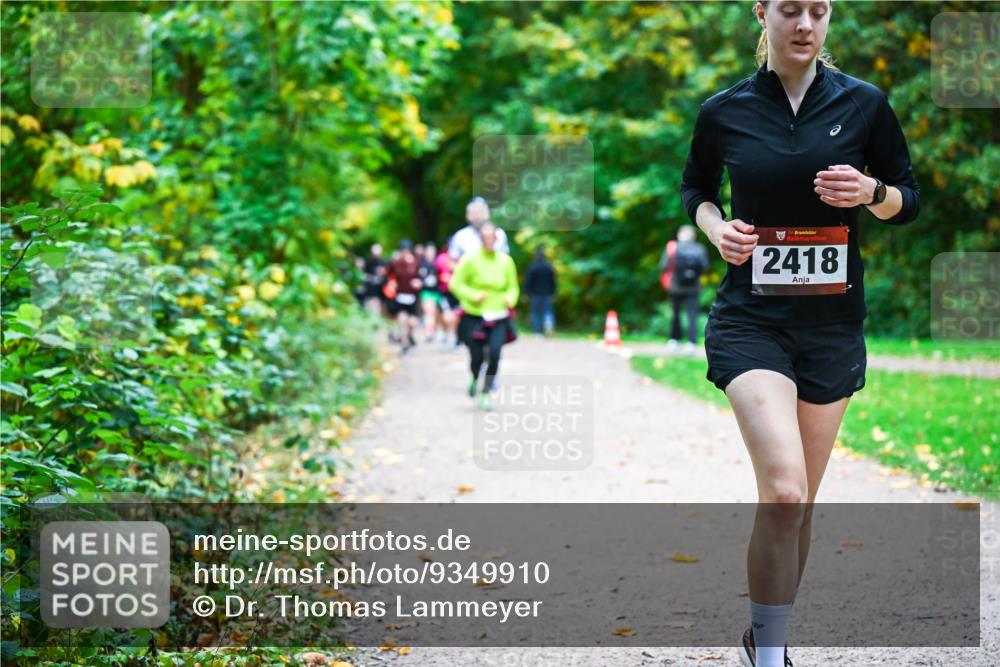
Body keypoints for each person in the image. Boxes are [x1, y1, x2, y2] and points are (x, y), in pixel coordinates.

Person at [679, 2, 919, 666]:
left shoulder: (865, 105)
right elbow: (695, 186)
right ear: (762, 12)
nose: (805, 23)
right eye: (790, 9)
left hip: (832, 327)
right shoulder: (724, 110)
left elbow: (909, 198)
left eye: (819, 9)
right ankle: (772, 658)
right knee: (783, 489)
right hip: (751, 321)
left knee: (800, 505)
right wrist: (714, 227)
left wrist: (872, 190)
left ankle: (766, 635)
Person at [447, 222, 519, 411]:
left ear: (496, 239)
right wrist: (472, 296)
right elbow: (455, 283)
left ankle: (486, 392)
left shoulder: (505, 261)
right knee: (476, 357)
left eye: (492, 238)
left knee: (495, 353)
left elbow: (513, 286)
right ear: (480, 240)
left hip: (499, 315)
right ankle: (474, 376)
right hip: (474, 315)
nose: (489, 242)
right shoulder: (469, 259)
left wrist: (510, 298)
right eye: (485, 238)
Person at [660, 225, 708, 353]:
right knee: (692, 314)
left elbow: (664, 266)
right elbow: (705, 267)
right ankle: (691, 342)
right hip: (694, 287)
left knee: (676, 313)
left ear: (679, 235)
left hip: (676, 286)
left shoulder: (673, 246)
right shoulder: (699, 248)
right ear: (694, 236)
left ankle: (674, 340)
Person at [386, 240, 423, 354]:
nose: (405, 253)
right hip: (400, 297)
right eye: (402, 251)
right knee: (402, 320)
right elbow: (388, 275)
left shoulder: (416, 263)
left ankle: (409, 335)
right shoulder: (395, 263)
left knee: (412, 322)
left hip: (412, 298)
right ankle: (405, 344)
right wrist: (392, 282)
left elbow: (423, 277)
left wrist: (419, 283)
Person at [522, 248, 557, 335]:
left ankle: (538, 332)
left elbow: (528, 282)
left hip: (535, 294)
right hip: (547, 294)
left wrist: (525, 293)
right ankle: (548, 323)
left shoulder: (532, 267)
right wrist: (553, 292)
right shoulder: (549, 267)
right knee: (547, 311)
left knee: (536, 313)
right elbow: (553, 281)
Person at [434, 247, 461, 349]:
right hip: (444, 294)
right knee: (446, 316)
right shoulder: (441, 259)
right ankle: (446, 335)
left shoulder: (462, 261)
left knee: (456, 317)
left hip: (457, 294)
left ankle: (454, 338)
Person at [417, 242, 441, 342]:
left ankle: (433, 330)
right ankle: (429, 332)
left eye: (432, 251)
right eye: (429, 251)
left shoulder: (438, 263)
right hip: (425, 292)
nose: (430, 253)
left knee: (435, 313)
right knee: (429, 310)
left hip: (437, 292)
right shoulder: (421, 264)